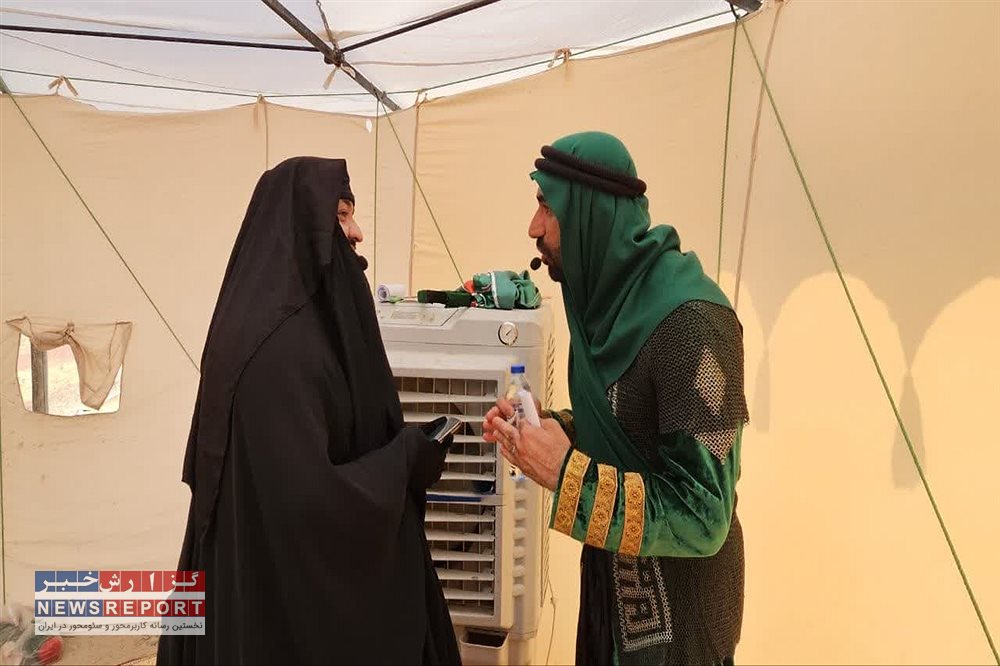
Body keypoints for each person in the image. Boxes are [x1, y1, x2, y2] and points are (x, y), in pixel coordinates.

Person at [158, 157, 461, 665]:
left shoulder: (269, 328)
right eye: (341, 215)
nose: (357, 233)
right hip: (279, 617)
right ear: (299, 227)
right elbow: (308, 504)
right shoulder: (280, 352)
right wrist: (407, 457)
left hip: (257, 593)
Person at [483, 132, 748, 665]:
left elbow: (704, 515)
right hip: (608, 591)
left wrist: (565, 474)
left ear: (590, 214)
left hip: (680, 624)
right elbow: (628, 428)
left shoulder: (693, 323)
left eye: (547, 206)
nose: (534, 227)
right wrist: (550, 431)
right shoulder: (604, 309)